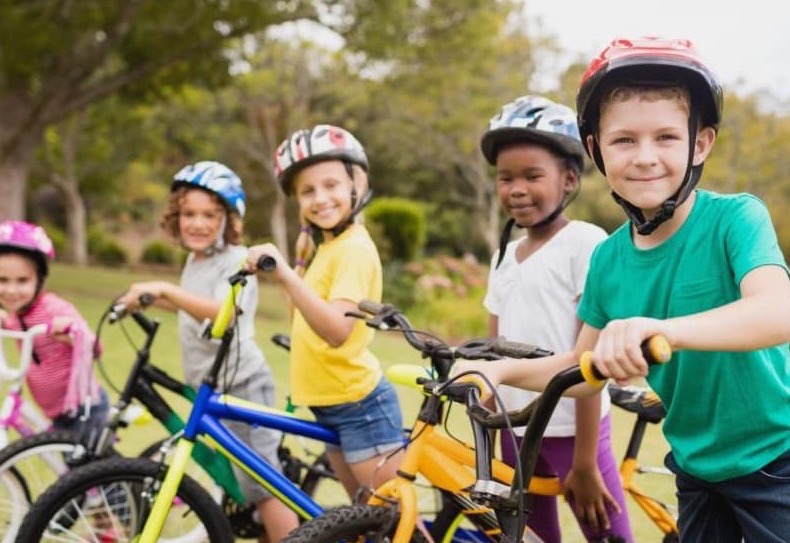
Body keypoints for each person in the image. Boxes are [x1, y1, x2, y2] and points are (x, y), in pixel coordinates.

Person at [455, 36, 790, 542]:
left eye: (666, 138)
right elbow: (581, 371)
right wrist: (497, 369)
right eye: (625, 140)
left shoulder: (736, 219)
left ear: (700, 143)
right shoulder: (609, 259)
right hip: (697, 468)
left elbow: (776, 312)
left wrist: (662, 329)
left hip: (776, 458)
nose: (645, 157)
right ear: (596, 150)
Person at [116, 161, 299, 542]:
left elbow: (224, 314)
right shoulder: (196, 259)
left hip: (244, 382)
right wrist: (153, 299)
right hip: (215, 386)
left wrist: (165, 289)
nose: (197, 223)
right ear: (176, 217)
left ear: (227, 219)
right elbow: (195, 304)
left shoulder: (237, 260)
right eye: (188, 214)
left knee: (264, 483)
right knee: (244, 482)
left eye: (208, 215)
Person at [480, 95, 631, 541]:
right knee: (528, 535)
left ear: (568, 180)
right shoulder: (503, 257)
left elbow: (590, 361)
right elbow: (495, 350)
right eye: (505, 178)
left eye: (532, 176)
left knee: (608, 533)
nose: (516, 188)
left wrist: (585, 461)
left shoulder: (585, 243)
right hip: (516, 428)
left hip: (574, 430)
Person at [244, 124, 405, 501]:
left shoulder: (353, 249)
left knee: (389, 522)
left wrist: (284, 275)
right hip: (331, 404)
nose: (320, 199)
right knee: (364, 518)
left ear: (357, 183)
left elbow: (337, 331)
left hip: (359, 405)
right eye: (307, 191)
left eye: (331, 185)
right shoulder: (328, 248)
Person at [0, 220, 110, 440]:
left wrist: (73, 334)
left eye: (22, 281)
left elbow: (97, 349)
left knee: (88, 473)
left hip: (84, 408)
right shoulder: (17, 315)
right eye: (2, 280)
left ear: (39, 280)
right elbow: (12, 323)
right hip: (56, 412)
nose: (11, 290)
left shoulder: (55, 309)